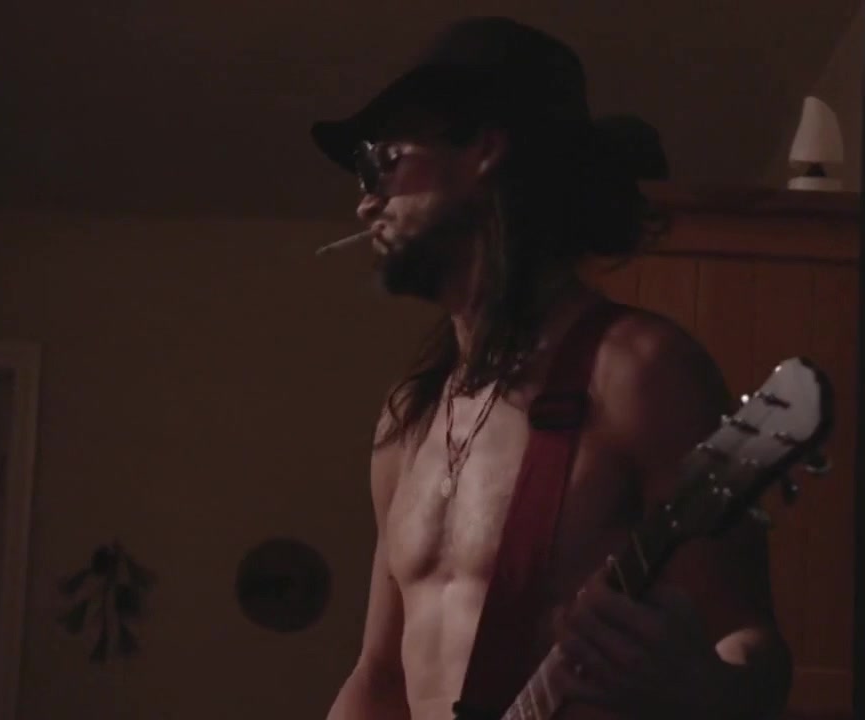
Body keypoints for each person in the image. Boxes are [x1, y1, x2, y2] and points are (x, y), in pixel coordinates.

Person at [312, 17, 790, 720]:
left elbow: (752, 642)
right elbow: (380, 679)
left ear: (484, 150)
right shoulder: (408, 420)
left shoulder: (639, 372)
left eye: (384, 160)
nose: (365, 200)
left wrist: (702, 687)